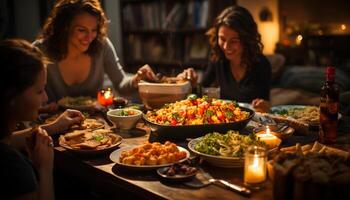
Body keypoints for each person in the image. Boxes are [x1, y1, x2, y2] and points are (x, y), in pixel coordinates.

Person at [0, 39, 84, 199]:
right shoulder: (13, 167)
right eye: (39, 91)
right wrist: (44, 169)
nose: (45, 97)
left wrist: (53, 126)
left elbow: (9, 140)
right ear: (11, 95)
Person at [33, 0, 158, 103]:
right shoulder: (41, 50)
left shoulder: (101, 45)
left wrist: (137, 78)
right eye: (82, 30)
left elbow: (121, 83)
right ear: (64, 27)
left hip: (93, 124)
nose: (89, 37)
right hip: (52, 124)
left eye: (94, 30)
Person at [179, 6, 271, 112]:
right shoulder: (218, 59)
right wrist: (192, 83)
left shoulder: (262, 64)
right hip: (225, 121)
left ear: (247, 40)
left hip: (251, 122)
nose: (226, 47)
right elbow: (200, 94)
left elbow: (265, 105)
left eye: (234, 41)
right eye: (222, 39)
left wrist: (265, 106)